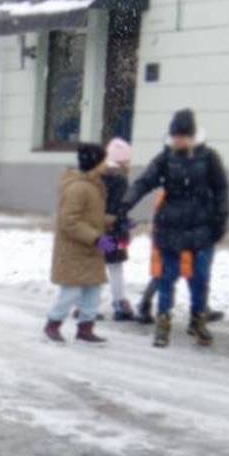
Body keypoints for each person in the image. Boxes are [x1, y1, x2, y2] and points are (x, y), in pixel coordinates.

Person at [121, 108, 229, 347]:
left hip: (201, 228)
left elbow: (221, 191)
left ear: (192, 135)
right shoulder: (165, 158)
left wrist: (220, 222)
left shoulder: (210, 158)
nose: (178, 140)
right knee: (167, 278)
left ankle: (198, 321)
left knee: (199, 279)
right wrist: (125, 203)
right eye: (175, 135)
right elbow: (144, 182)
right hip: (170, 227)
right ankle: (163, 325)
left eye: (182, 135)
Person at [44, 143, 112, 344]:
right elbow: (69, 221)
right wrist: (96, 238)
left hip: (89, 250)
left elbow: (91, 216)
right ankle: (53, 324)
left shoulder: (92, 185)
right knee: (70, 292)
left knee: (94, 289)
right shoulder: (78, 188)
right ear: (95, 163)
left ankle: (85, 328)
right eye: (103, 161)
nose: (106, 165)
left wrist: (113, 221)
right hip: (75, 250)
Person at [101, 137, 136, 321]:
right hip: (114, 232)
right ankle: (119, 304)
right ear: (123, 160)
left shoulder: (97, 175)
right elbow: (119, 207)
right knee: (115, 267)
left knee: (96, 266)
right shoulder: (120, 180)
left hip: (97, 230)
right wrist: (125, 224)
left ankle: (85, 305)